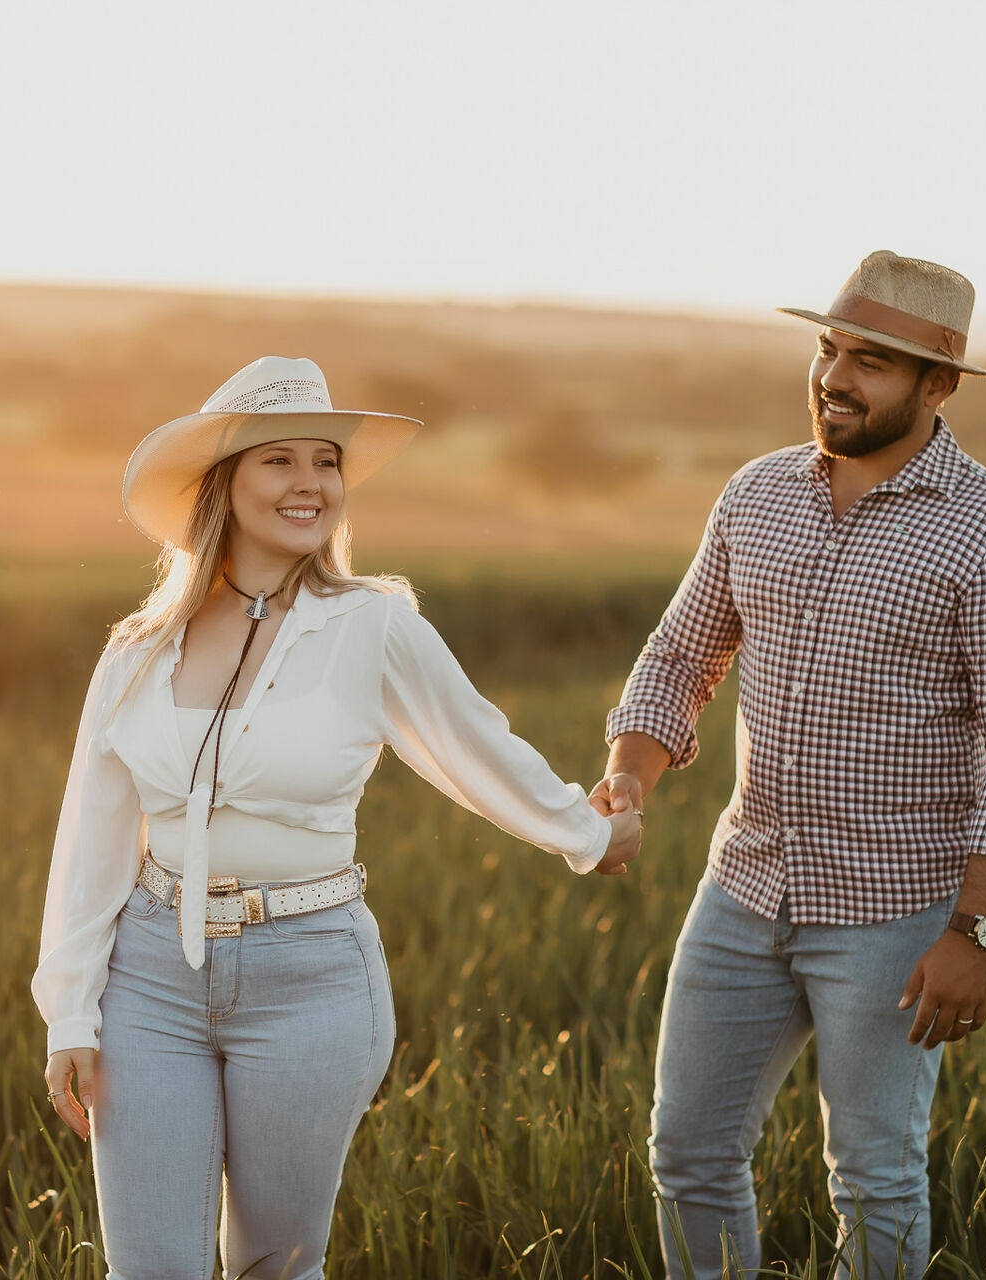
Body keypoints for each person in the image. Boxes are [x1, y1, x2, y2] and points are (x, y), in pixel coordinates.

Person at [34, 355, 644, 1280]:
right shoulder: (136, 651)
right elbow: (92, 837)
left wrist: (589, 833)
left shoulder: (375, 625)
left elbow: (476, 747)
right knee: (150, 1270)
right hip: (150, 978)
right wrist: (70, 1014)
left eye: (326, 460)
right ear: (223, 483)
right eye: (278, 460)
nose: (310, 482)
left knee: (273, 1269)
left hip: (310, 975)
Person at [591, 252, 986, 1279]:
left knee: (874, 1177)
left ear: (938, 385)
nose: (834, 376)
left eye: (873, 362)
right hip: (742, 889)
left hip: (897, 916)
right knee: (687, 1153)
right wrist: (630, 774)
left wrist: (975, 931)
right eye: (829, 347)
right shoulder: (757, 492)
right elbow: (683, 653)